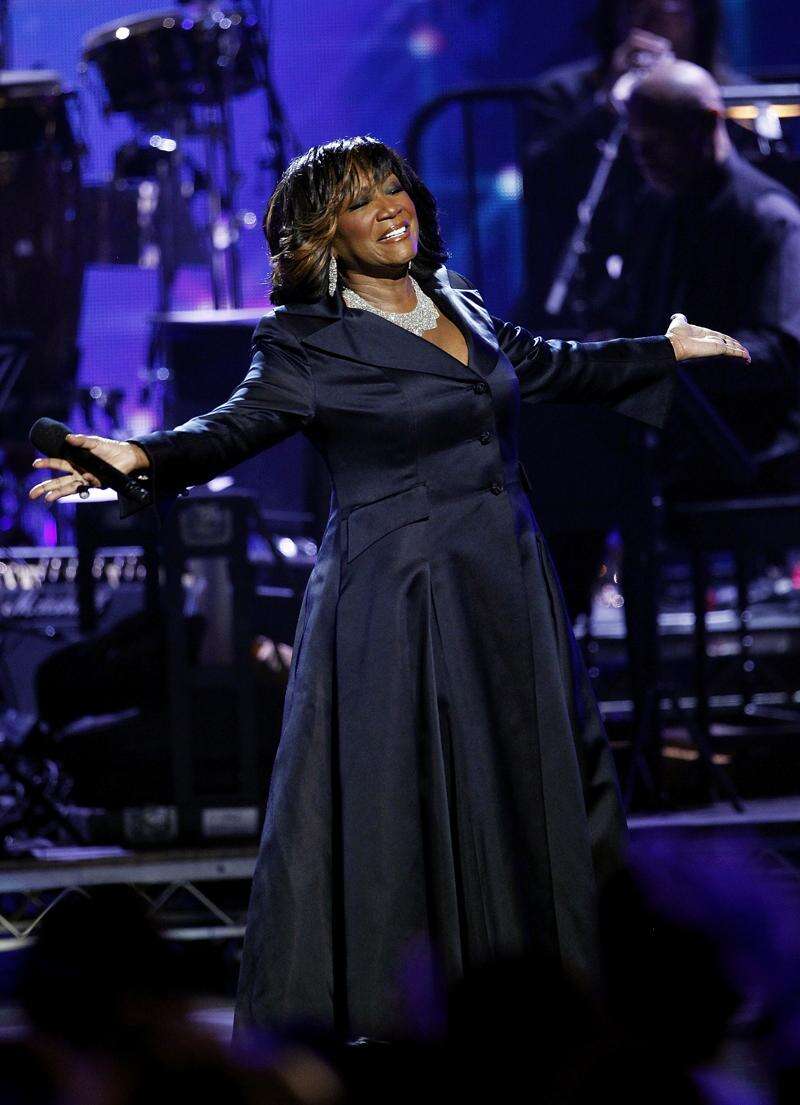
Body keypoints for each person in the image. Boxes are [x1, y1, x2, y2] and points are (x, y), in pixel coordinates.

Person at [29, 136, 749, 1041]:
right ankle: (401, 1013)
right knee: (404, 803)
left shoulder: (454, 295)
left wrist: (664, 349)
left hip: (507, 584)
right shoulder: (303, 341)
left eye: (393, 186)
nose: (389, 206)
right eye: (361, 200)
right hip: (400, 594)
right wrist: (141, 455)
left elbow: (549, 362)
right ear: (323, 233)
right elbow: (233, 426)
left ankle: (546, 997)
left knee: (528, 785)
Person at [517, 0, 752, 333]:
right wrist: (605, 105)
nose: (642, 26)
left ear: (695, 19)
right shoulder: (562, 92)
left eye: (661, 13)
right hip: (595, 287)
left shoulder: (733, 95)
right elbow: (542, 175)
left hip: (700, 271)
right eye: (631, 11)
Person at [622, 59, 800, 485]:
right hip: (680, 444)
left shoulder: (770, 218)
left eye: (656, 143)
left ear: (705, 124)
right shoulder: (656, 207)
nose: (643, 158)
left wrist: (673, 359)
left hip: (757, 448)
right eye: (637, 144)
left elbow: (782, 352)